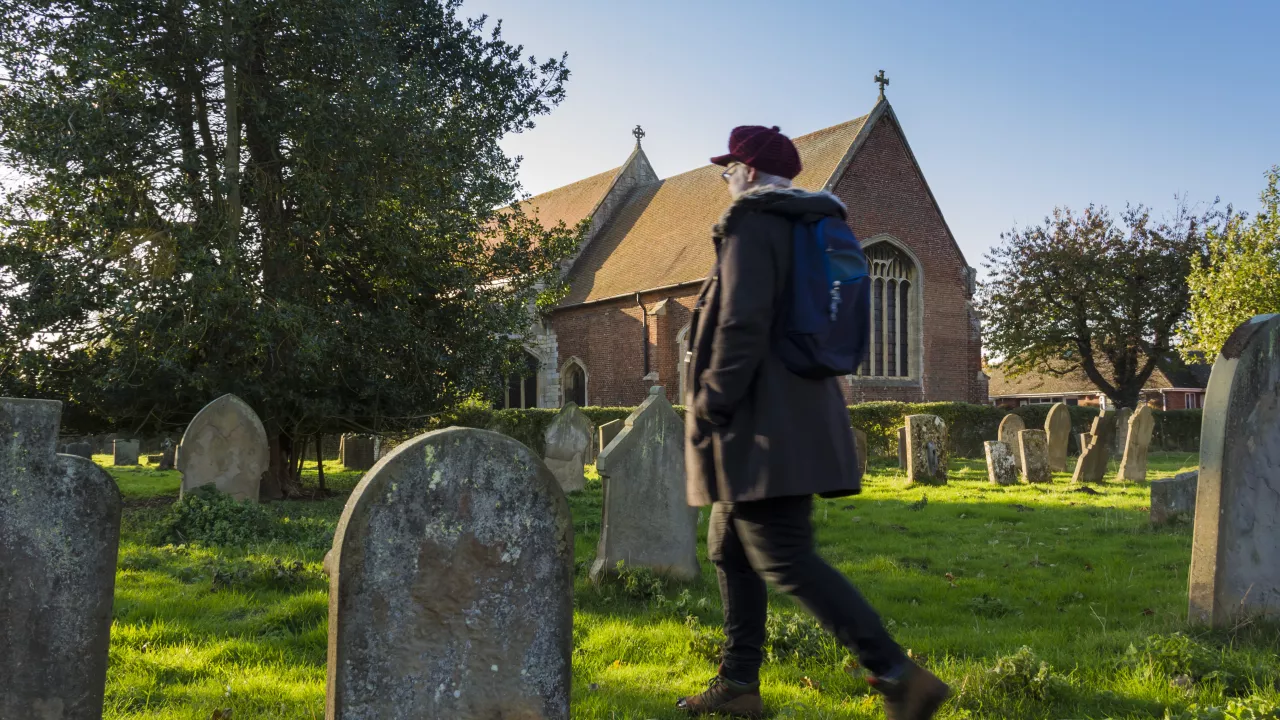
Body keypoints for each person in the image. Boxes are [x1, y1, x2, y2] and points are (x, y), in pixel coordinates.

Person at [677, 125, 950, 720]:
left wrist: (712, 402)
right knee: (729, 549)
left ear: (748, 171)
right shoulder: (813, 223)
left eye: (729, 169)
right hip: (796, 413)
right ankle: (740, 685)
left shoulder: (755, 221)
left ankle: (900, 675)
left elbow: (741, 322)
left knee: (784, 557)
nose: (725, 179)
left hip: (762, 427)